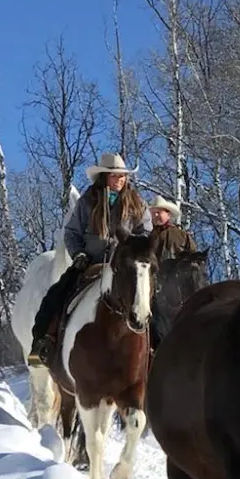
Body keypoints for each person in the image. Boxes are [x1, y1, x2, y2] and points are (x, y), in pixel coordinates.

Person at [27, 153, 152, 366]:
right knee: (57, 294)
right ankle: (43, 342)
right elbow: (71, 232)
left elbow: (146, 231)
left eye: (122, 176)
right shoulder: (88, 201)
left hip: (125, 265)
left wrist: (133, 249)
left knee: (148, 299)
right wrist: (79, 254)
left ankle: (158, 349)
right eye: (114, 176)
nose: (119, 180)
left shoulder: (137, 203)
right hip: (92, 262)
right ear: (104, 177)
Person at [149, 195, 198, 262]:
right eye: (153, 213)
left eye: (158, 212)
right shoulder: (146, 234)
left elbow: (194, 257)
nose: (155, 215)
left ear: (168, 215)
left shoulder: (182, 236)